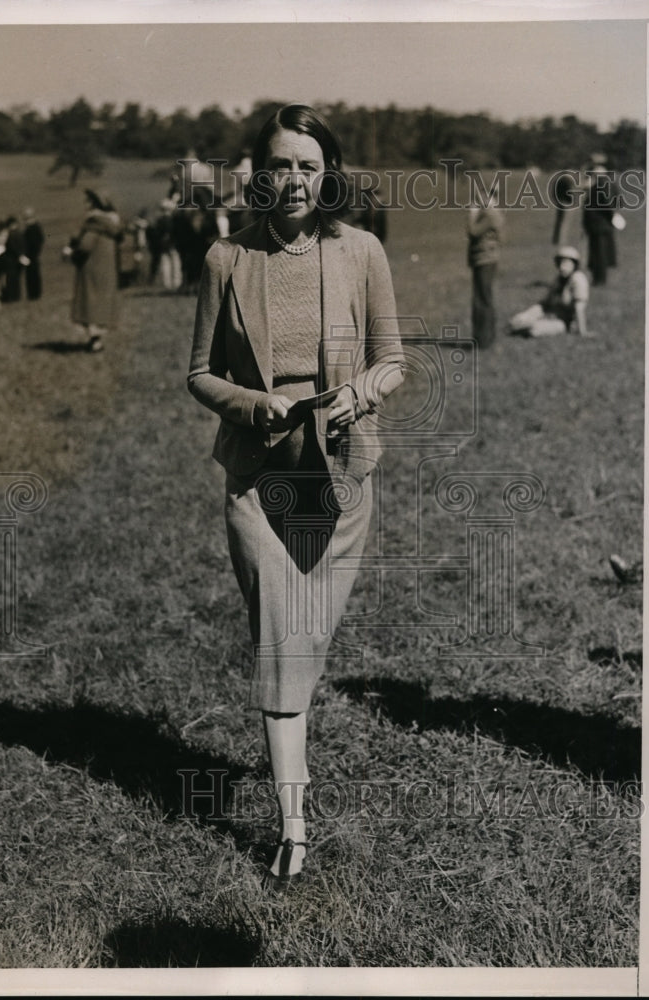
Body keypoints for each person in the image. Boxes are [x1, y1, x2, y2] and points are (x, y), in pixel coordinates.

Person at [188, 105, 404, 889]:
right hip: (259, 473)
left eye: (308, 166)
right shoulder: (225, 259)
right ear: (259, 174)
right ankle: (294, 823)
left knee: (308, 641)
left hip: (341, 472)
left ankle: (291, 773)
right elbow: (198, 373)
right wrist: (254, 404)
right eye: (279, 165)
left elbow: (393, 360)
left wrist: (360, 396)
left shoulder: (363, 250)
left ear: (329, 173)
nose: (293, 181)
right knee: (282, 640)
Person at [63, 189, 122, 352]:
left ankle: (95, 341)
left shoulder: (93, 224)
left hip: (93, 270)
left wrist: (70, 253)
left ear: (94, 204)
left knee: (91, 305)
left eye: (88, 201)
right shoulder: (110, 224)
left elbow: (85, 246)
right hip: (106, 270)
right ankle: (97, 340)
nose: (85, 205)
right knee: (101, 304)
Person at [507, 246, 593, 338]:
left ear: (574, 264)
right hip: (550, 314)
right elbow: (545, 303)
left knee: (534, 329)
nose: (562, 267)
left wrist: (582, 332)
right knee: (517, 321)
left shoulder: (578, 279)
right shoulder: (559, 279)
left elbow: (579, 309)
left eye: (566, 263)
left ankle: (528, 328)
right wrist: (529, 314)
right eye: (560, 263)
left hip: (565, 322)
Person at [467, 182, 504, 348]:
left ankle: (484, 339)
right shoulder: (490, 212)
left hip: (485, 260)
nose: (478, 200)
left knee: (483, 298)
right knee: (482, 297)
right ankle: (483, 337)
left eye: (482, 196)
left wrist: (472, 214)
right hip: (483, 259)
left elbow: (473, 231)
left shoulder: (490, 214)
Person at [582, 157, 618, 286]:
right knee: (598, 253)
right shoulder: (606, 184)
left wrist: (611, 216)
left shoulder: (602, 185)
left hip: (599, 224)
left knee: (599, 253)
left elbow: (607, 204)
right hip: (601, 224)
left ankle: (600, 280)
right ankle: (598, 279)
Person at [22, 207, 45, 301]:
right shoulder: (36, 227)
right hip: (34, 254)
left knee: (32, 275)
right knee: (33, 274)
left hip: (31, 254)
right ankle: (35, 293)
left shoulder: (31, 228)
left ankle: (33, 294)